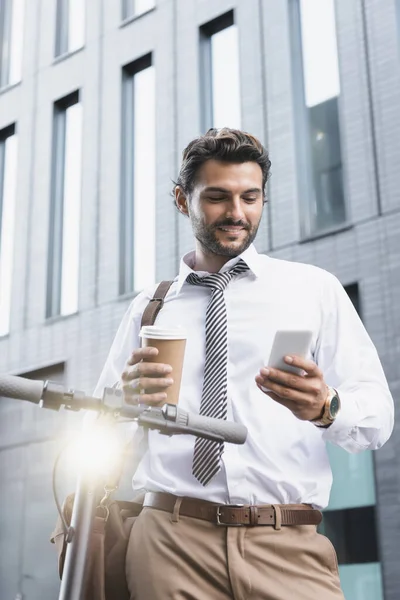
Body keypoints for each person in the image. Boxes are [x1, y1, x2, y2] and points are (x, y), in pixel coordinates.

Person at [94, 128, 394, 600]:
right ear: (181, 199)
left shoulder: (312, 290)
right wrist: (122, 403)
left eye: (250, 197)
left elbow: (378, 419)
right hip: (170, 543)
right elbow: (98, 430)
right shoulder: (150, 306)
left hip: (288, 544)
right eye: (217, 197)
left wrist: (327, 406)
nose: (237, 213)